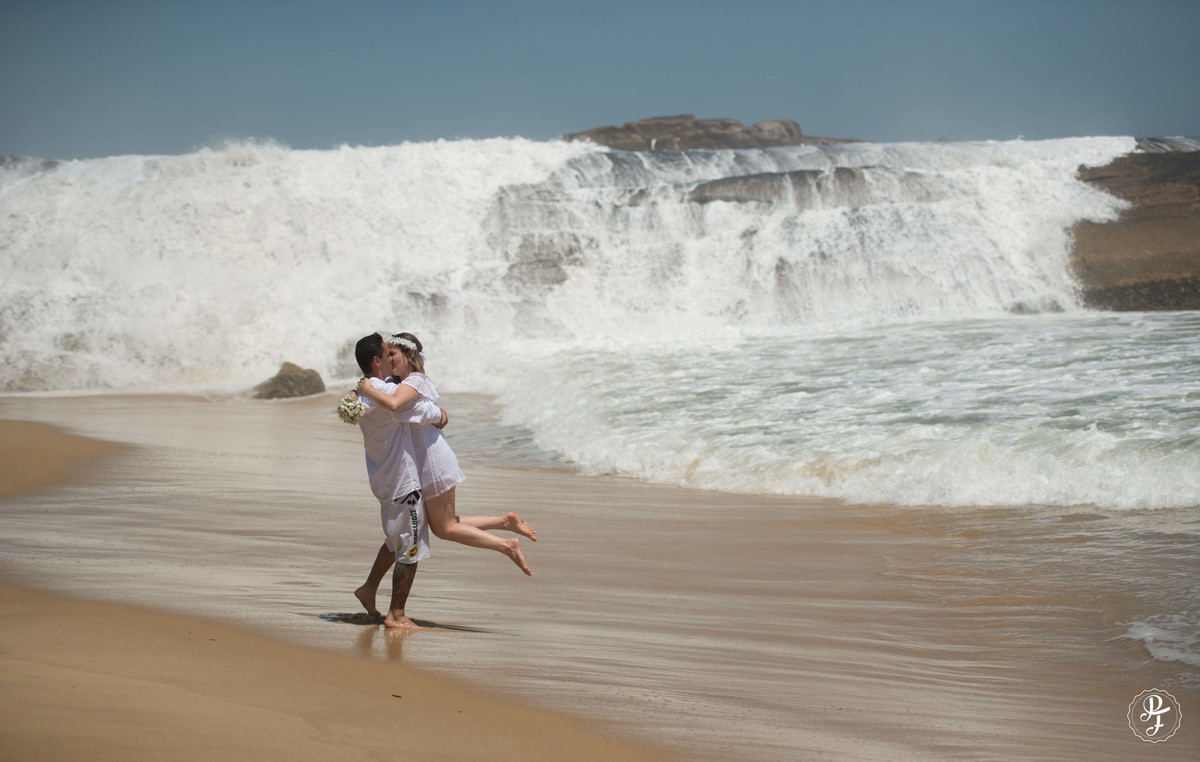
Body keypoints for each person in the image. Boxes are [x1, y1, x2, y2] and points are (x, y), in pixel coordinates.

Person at [357, 332, 536, 576]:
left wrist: (364, 387)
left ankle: (506, 545)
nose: (389, 359)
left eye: (393, 354)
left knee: (445, 528)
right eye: (387, 354)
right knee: (444, 525)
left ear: (408, 355)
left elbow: (396, 405)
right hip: (424, 462)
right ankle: (505, 522)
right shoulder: (398, 383)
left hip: (433, 460)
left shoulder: (416, 381)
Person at [351, 332, 447, 630]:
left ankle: (368, 589)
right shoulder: (386, 395)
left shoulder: (363, 393)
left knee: (395, 540)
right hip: (403, 482)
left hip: (381, 479)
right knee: (411, 546)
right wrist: (440, 414)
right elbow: (420, 410)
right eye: (387, 352)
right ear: (377, 360)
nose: (392, 358)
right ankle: (397, 613)